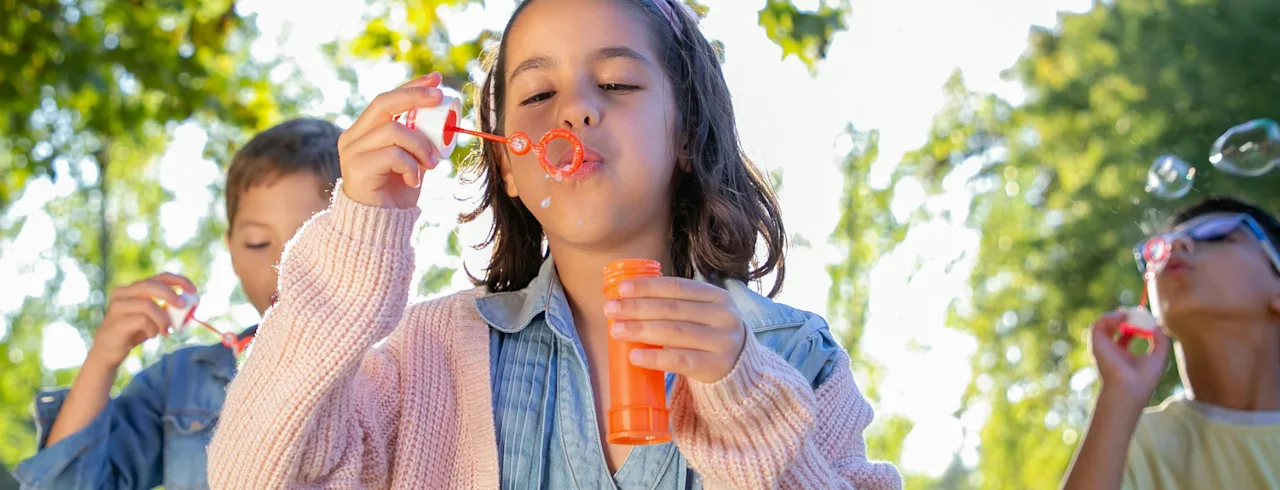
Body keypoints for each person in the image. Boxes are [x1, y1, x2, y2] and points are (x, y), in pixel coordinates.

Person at [208, 0, 903, 488]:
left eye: (615, 82)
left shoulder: (794, 355)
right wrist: (357, 239)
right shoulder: (429, 358)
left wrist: (746, 406)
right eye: (537, 95)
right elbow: (255, 475)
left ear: (686, 135)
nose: (574, 107)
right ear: (509, 164)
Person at [13, 118, 342, 490]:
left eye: (310, 242)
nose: (282, 267)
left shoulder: (402, 368)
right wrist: (103, 357)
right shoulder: (182, 384)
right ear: (231, 247)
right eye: (257, 243)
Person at [1061, 196, 1280, 489]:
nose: (1175, 246)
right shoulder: (1129, 444)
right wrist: (1118, 397)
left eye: (1217, 235)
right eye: (1160, 248)